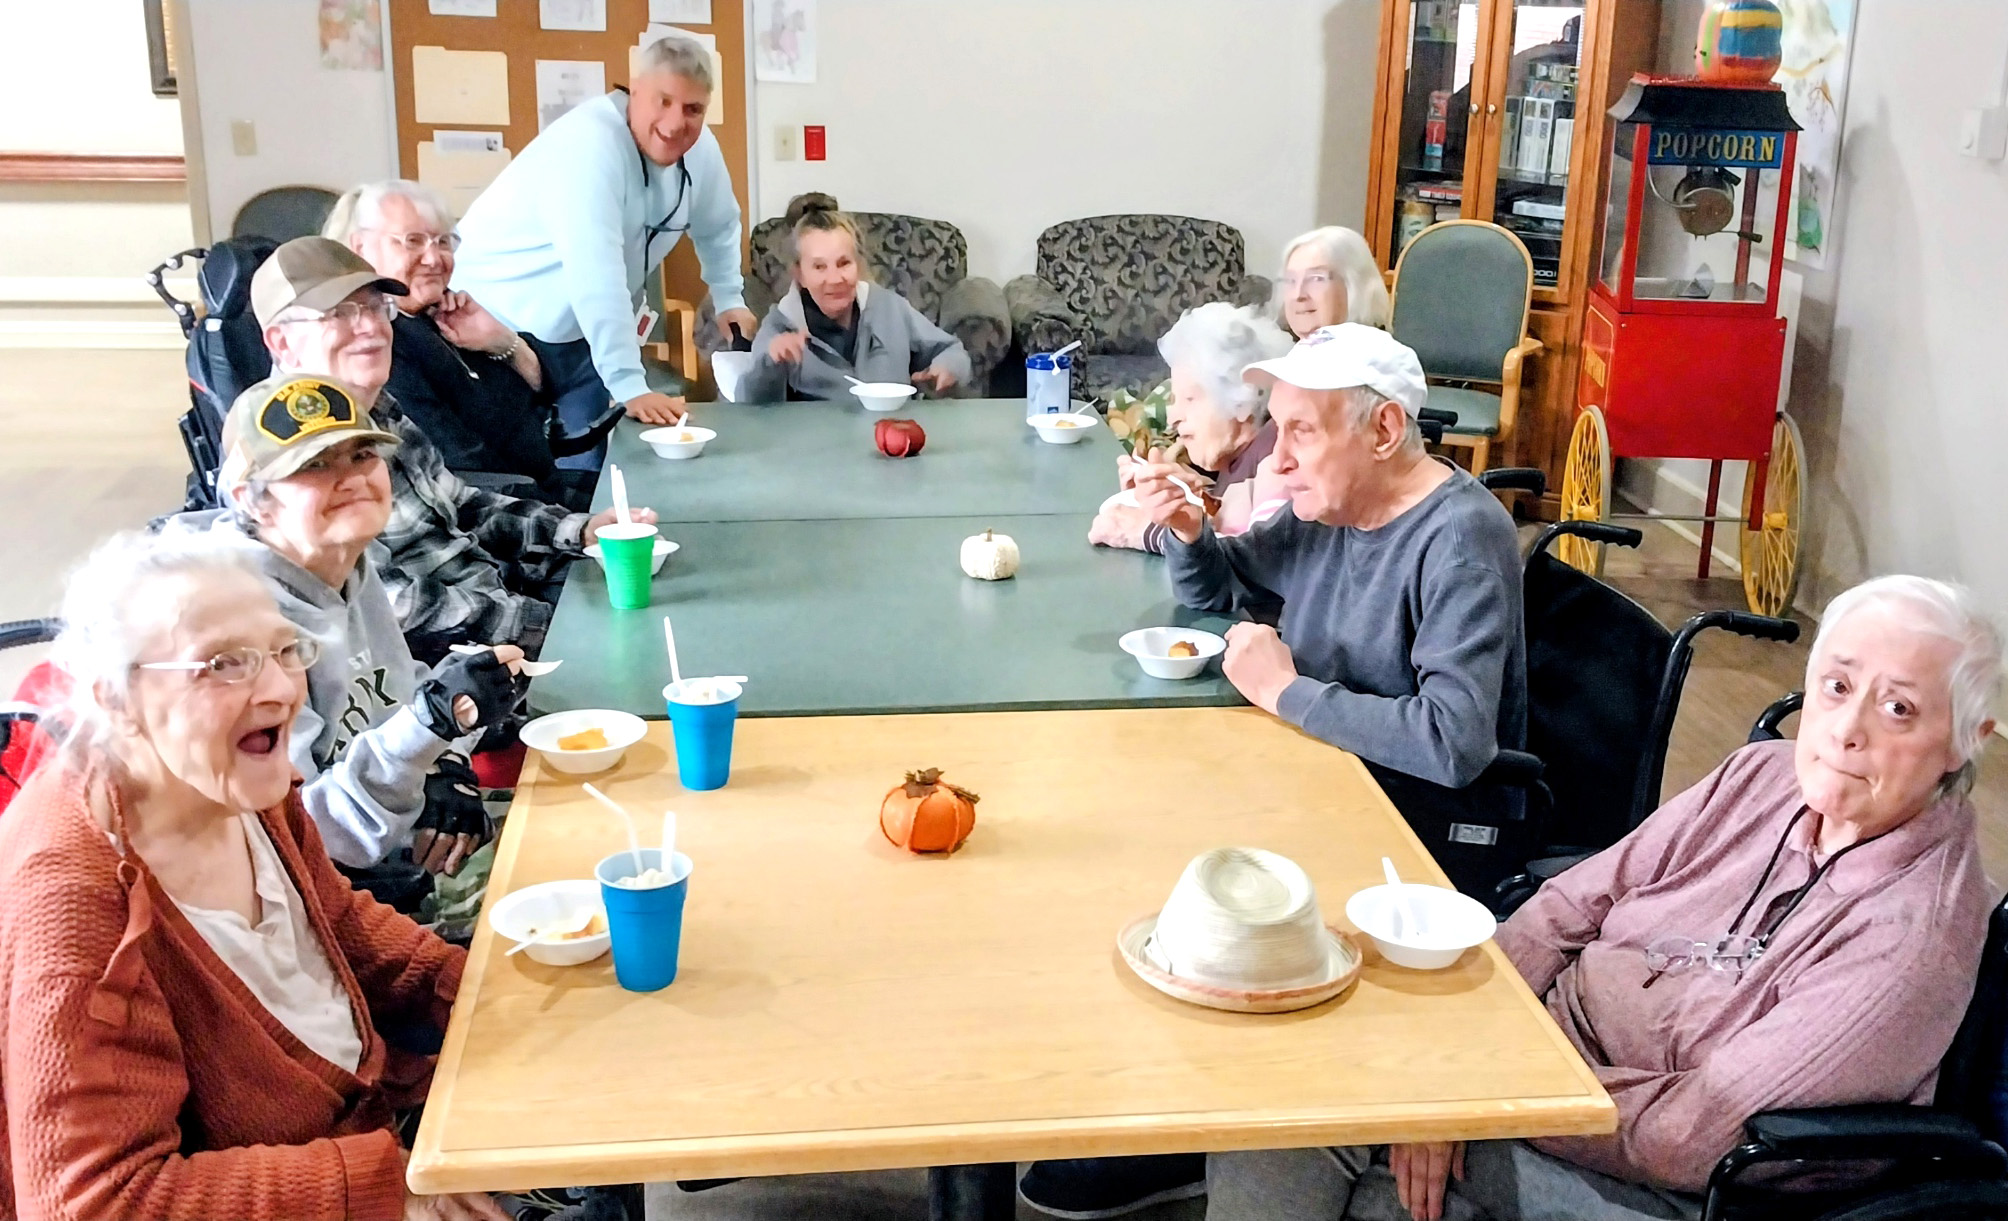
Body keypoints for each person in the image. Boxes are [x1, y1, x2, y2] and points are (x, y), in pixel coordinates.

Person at [1205, 574, 2001, 1221]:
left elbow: (1690, 1136)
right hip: (1536, 1067)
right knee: (1310, 1059)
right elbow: (1572, 900)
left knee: (1311, 1114)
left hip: (1661, 1181)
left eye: (1899, 708)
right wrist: (1465, 1053)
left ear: (1968, 738)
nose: (1848, 728)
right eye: (1836, 685)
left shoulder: (1910, 935)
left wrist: (1473, 1094)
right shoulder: (1761, 776)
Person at [1020, 323, 1526, 1221]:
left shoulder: (1459, 535)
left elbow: (1455, 742)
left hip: (1418, 831)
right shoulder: (1332, 509)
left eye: (1301, 431)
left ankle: (1205, 1125)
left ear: (1383, 431)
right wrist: (1188, 529)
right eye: (1277, 427)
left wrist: (1289, 693)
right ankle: (1179, 1117)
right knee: (1132, 817)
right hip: (1328, 780)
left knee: (1183, 863)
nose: (1278, 458)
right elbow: (1223, 587)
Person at [0, 530, 508, 1221]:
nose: (279, 689)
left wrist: (473, 993)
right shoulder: (74, 900)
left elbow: (333, 925)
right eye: (223, 664)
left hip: (378, 1121)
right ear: (116, 699)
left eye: (285, 650)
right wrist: (384, 1186)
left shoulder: (240, 780)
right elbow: (96, 1202)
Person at [159, 373, 527, 911]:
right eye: (314, 465)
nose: (351, 477)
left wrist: (447, 762)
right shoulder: (230, 628)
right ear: (252, 501)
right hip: (319, 899)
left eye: (362, 455)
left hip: (396, 837)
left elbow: (398, 699)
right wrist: (429, 727)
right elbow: (307, 837)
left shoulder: (345, 563)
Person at [253, 236, 656, 663]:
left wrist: (579, 531)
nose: (370, 327)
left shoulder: (379, 407)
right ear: (282, 343)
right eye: (340, 314)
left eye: (375, 307)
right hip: (454, 661)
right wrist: (545, 624)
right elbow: (388, 603)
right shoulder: (287, 450)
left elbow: (463, 504)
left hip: (501, 598)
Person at [452, 35, 756, 449]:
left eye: (693, 109)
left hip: (579, 333)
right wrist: (630, 384)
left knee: (586, 466)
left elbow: (719, 224)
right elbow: (598, 277)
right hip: (492, 324)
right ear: (635, 90)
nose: (674, 124)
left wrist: (729, 297)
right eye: (663, 101)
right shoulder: (589, 146)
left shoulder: (700, 150)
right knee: (523, 466)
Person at [327, 179, 599, 511]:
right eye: (413, 241)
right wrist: (564, 517)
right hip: (501, 511)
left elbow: (540, 397)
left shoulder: (446, 315)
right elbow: (459, 464)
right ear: (360, 249)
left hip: (542, 487)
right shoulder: (376, 342)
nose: (433, 258)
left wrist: (502, 341)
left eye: (443, 241)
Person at [1088, 303, 1293, 553]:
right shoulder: (1239, 461)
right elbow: (1229, 520)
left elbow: (1258, 559)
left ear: (1244, 399)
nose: (1172, 418)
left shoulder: (1277, 463)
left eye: (1189, 399)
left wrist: (1147, 532)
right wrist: (1172, 495)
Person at [739, 192, 971, 402]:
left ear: (858, 265)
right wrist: (770, 364)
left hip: (894, 430)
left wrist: (947, 367)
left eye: (844, 263)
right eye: (819, 267)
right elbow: (748, 403)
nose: (834, 279)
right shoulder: (780, 325)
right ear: (800, 274)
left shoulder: (890, 307)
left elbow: (952, 350)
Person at [1276, 226, 1390, 339]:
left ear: (1356, 285)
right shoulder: (1289, 347)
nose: (1298, 295)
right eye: (1290, 280)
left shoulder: (1380, 349)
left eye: (1316, 278)